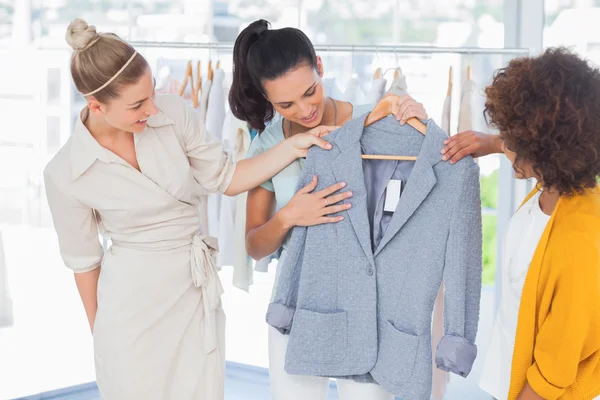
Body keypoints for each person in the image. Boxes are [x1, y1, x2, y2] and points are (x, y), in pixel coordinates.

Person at [44, 19, 338, 400]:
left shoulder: (173, 114)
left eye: (150, 94)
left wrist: (294, 147)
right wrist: (103, 336)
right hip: (128, 308)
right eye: (137, 105)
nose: (152, 108)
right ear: (96, 105)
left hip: (191, 291)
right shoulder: (66, 173)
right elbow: (85, 264)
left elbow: (227, 178)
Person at [229, 19, 428, 400]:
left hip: (369, 296)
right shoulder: (267, 147)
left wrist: (423, 117)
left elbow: (425, 187)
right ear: (266, 97)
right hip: (298, 295)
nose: (304, 110)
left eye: (310, 92)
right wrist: (290, 216)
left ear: (320, 66)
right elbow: (255, 245)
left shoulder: (379, 118)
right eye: (285, 104)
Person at [444, 48, 600, 400]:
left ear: (545, 149)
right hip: (511, 378)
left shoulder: (578, 243)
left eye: (512, 139)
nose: (506, 145)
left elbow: (552, 375)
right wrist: (493, 144)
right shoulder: (554, 185)